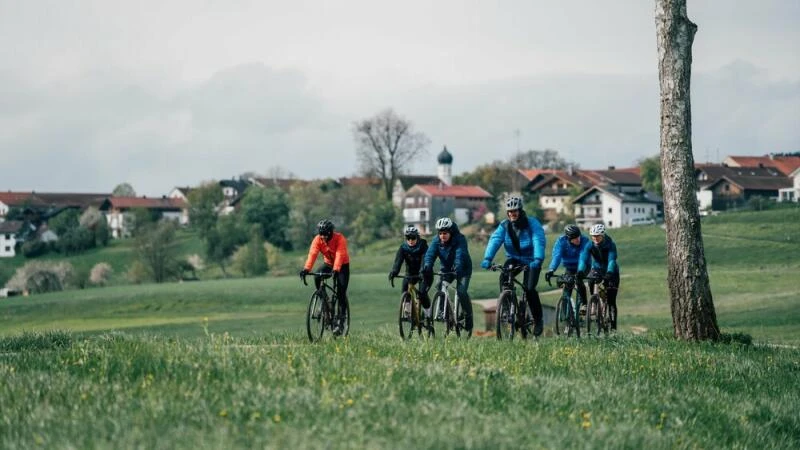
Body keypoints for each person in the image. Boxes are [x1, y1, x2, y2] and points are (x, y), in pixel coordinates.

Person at [480, 196, 546, 336]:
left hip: (532, 260)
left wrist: (538, 259)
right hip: (514, 259)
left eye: (514, 211)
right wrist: (487, 258)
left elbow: (538, 240)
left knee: (529, 289)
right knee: (504, 277)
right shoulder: (504, 225)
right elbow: (495, 240)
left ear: (520, 211)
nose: (512, 214)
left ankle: (538, 320)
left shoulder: (532, 223)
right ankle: (507, 307)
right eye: (509, 212)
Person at [423, 217, 474, 336]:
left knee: (461, 292)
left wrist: (458, 265)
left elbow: (460, 254)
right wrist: (427, 266)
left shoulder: (460, 239)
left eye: (445, 233)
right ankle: (443, 311)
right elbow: (430, 255)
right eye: (440, 233)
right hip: (446, 269)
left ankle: (468, 316)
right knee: (439, 285)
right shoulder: (436, 241)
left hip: (463, 269)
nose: (442, 236)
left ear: (450, 232)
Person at [299, 219, 350, 335]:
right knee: (317, 276)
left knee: (341, 292)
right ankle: (324, 299)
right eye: (321, 234)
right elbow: (312, 254)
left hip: (342, 265)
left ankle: (341, 322)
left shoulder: (339, 238)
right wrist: (306, 269)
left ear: (331, 232)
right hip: (328, 264)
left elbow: (340, 254)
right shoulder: (318, 239)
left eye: (326, 234)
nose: (323, 237)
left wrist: (336, 269)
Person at [388, 225, 432, 321]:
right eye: (408, 238)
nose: (410, 240)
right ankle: (408, 313)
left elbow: (425, 260)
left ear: (417, 237)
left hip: (424, 273)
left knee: (422, 293)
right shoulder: (403, 248)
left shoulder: (423, 245)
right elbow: (398, 261)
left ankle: (428, 314)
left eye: (413, 238)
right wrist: (394, 271)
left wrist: (422, 271)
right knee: (404, 290)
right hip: (411, 274)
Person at [584, 223, 620, 330]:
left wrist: (609, 273)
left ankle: (613, 328)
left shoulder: (610, 245)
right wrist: (581, 270)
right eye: (593, 236)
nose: (595, 238)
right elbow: (583, 258)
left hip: (611, 271)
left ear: (603, 235)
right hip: (597, 269)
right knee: (590, 280)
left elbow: (612, 260)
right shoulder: (590, 245)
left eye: (597, 236)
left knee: (611, 301)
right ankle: (594, 300)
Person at [545, 224, 592, 305]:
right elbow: (557, 256)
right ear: (568, 238)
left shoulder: (585, 241)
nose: (578, 240)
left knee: (578, 280)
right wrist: (551, 269)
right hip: (570, 267)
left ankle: (584, 304)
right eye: (574, 239)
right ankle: (566, 307)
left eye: (578, 236)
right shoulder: (561, 241)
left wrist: (580, 270)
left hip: (584, 265)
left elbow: (583, 258)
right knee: (567, 284)